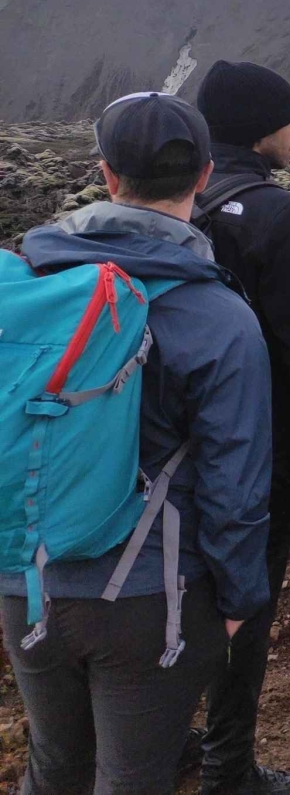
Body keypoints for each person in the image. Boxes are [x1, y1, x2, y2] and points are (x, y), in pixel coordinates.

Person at [0, 92, 272, 794]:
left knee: (54, 767)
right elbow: (235, 483)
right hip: (151, 595)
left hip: (27, 575)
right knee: (135, 778)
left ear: (107, 173)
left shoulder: (29, 278)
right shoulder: (218, 313)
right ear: (205, 174)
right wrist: (241, 599)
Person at [185, 60, 290, 795]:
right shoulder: (279, 213)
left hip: (167, 442)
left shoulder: (173, 200)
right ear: (261, 127)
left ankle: (160, 739)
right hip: (260, 448)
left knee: (175, 589)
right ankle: (229, 767)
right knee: (244, 600)